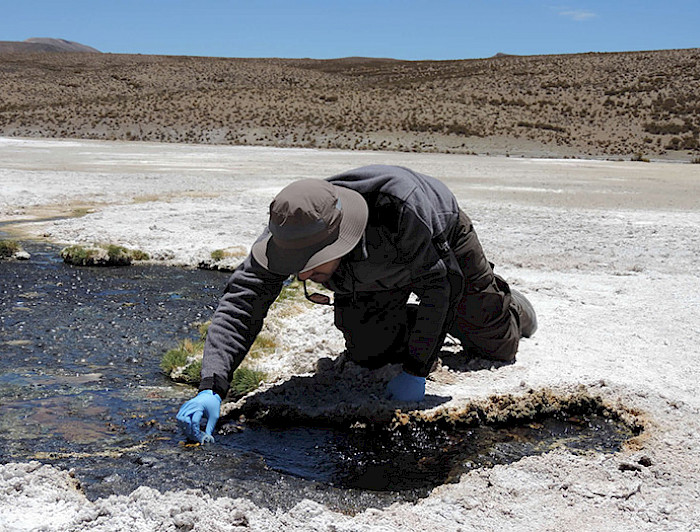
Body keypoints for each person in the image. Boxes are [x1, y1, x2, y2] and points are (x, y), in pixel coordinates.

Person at [177, 165, 537, 443]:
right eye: (297, 268)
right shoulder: (290, 228)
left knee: (494, 343)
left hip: (440, 246)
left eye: (313, 265)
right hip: (370, 274)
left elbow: (442, 285)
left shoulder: (401, 209)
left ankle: (507, 306)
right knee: (370, 353)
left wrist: (416, 368)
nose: (303, 277)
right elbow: (243, 301)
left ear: (340, 240)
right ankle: (421, 322)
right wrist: (212, 385)